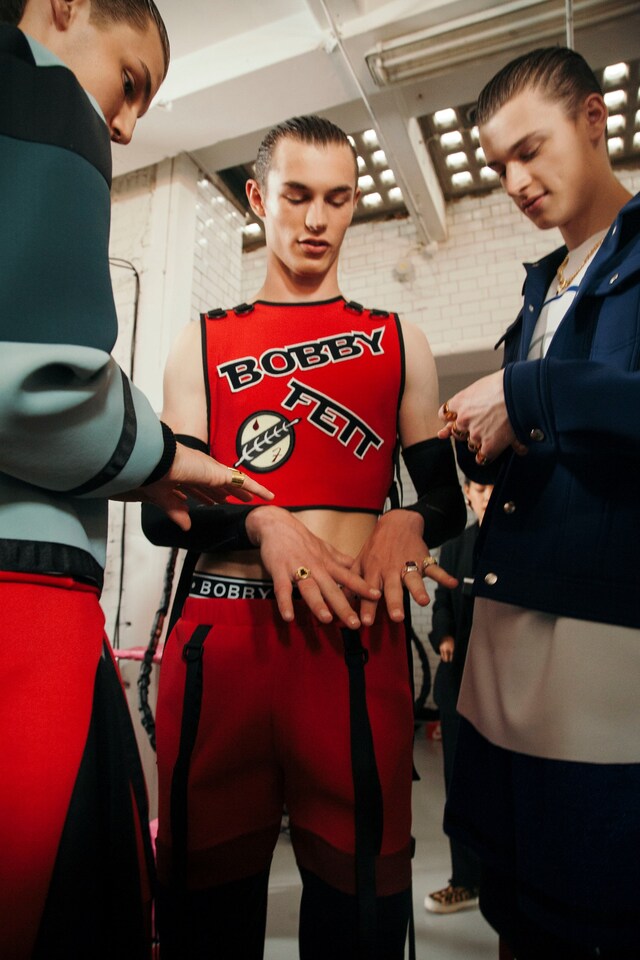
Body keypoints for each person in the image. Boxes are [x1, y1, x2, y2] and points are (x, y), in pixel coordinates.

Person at [142, 114, 466, 959]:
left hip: (353, 639)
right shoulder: (202, 339)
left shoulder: (399, 340)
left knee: (361, 899)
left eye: (337, 198)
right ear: (258, 198)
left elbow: (444, 499)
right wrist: (261, 515)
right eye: (296, 196)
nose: (316, 220)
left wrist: (405, 516)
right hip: (225, 633)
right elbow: (160, 510)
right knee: (202, 904)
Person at [0, 2, 273, 957]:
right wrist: (168, 459)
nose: (123, 124)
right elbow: (37, 381)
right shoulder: (39, 91)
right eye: (130, 82)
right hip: (22, 591)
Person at [437, 46, 640, 960]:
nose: (516, 181)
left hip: (603, 625)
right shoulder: (539, 290)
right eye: (498, 166)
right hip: (505, 610)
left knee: (589, 900)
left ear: (595, 121)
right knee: (510, 880)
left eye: (533, 149)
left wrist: (528, 395)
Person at [424, 478, 492, 915]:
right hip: (458, 681)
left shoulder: (518, 541)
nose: (484, 495)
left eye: (490, 487)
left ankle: (508, 879)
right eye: (478, 488)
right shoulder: (454, 544)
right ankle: (465, 880)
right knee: (460, 779)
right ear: (467, 493)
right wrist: (444, 635)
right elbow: (442, 604)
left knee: (503, 783)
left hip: (505, 683)